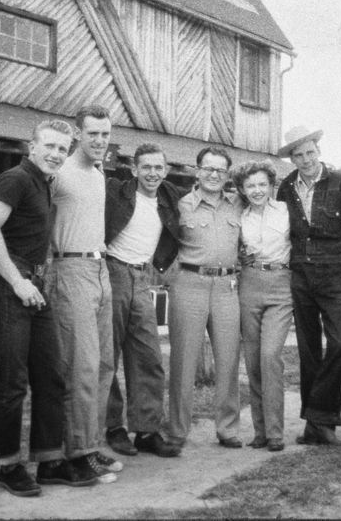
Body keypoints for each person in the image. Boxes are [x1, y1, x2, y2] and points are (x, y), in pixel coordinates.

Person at [0, 119, 99, 496]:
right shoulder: (15, 178)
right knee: (12, 381)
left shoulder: (44, 182)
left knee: (50, 377)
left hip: (37, 286)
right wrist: (17, 281)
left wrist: (33, 282)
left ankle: (49, 461)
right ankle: (7, 465)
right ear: (31, 146)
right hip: (10, 285)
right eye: (48, 146)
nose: (55, 154)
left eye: (62, 149)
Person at [276, 126, 341, 447]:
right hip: (300, 275)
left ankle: (322, 418)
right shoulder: (285, 188)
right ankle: (315, 426)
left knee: (339, 344)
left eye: (310, 152)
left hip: (336, 275)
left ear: (319, 150)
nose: (305, 160)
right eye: (298, 155)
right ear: (291, 158)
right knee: (308, 348)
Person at [45, 105, 122, 479]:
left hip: (100, 268)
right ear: (78, 134)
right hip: (69, 268)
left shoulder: (99, 172)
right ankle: (77, 453)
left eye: (105, 134)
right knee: (82, 365)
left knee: (105, 363)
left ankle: (93, 443)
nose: (100, 141)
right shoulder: (58, 172)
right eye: (92, 134)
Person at [104, 143, 181, 458]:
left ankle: (147, 431)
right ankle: (113, 427)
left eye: (158, 168)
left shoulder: (169, 197)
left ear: (166, 170)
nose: (153, 173)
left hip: (143, 277)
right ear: (134, 169)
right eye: (146, 167)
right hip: (112, 270)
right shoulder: (116, 192)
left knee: (148, 355)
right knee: (107, 352)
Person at [167, 146, 243, 449]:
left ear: (227, 175)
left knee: (228, 359)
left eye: (220, 170)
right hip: (190, 282)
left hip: (226, 286)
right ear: (197, 170)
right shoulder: (180, 204)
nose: (214, 174)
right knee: (183, 360)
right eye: (208, 168)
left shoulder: (238, 204)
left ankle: (227, 429)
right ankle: (176, 431)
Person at [232, 159, 293, 453]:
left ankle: (276, 432)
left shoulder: (285, 211)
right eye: (250, 185)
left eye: (262, 185)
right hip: (249, 284)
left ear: (271, 186)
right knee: (254, 359)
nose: (257, 190)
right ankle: (260, 431)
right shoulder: (239, 215)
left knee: (270, 356)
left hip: (281, 284)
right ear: (242, 189)